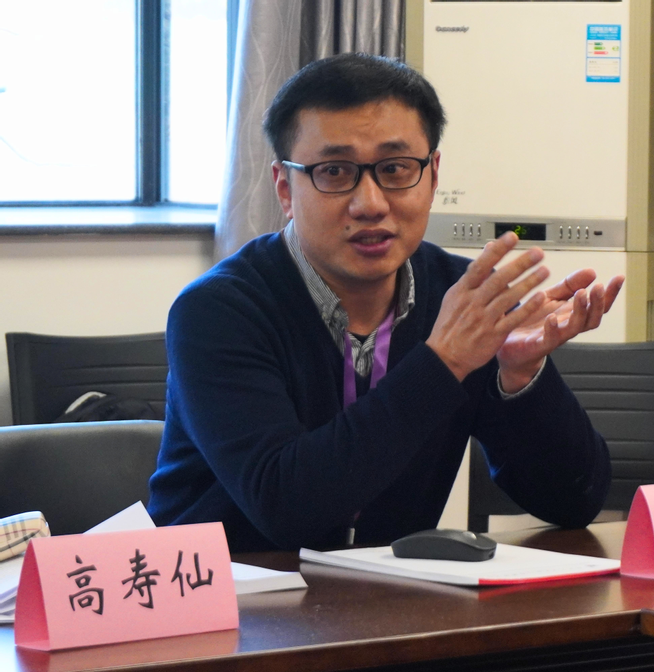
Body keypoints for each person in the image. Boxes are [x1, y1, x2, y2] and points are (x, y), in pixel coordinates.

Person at [147, 53, 624, 553]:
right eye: (334, 171)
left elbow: (573, 503)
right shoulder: (217, 312)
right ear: (285, 189)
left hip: (389, 595)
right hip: (226, 594)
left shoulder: (460, 298)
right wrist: (444, 362)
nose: (370, 203)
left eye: (395, 169)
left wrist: (521, 378)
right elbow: (285, 507)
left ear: (433, 176)